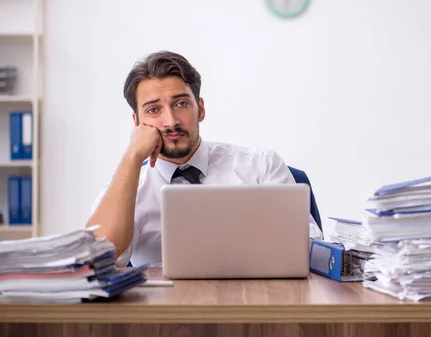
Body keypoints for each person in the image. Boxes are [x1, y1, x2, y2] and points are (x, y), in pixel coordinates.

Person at [86, 51, 323, 267]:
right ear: (137, 123)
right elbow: (96, 259)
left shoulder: (262, 166)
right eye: (153, 110)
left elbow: (312, 250)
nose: (171, 122)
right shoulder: (128, 187)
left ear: (201, 108)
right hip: (164, 311)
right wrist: (132, 155)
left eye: (181, 104)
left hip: (254, 304)